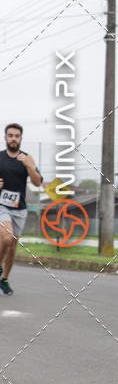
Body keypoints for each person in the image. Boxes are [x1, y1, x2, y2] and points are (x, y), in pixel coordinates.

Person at [0, 124, 43, 295]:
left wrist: (28, 166)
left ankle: (4, 279)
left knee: (12, 246)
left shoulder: (27, 158)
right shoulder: (0, 158)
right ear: (5, 137)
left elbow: (38, 182)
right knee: (7, 236)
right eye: (10, 135)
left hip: (20, 208)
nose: (13, 139)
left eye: (16, 136)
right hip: (2, 205)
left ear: (21, 138)